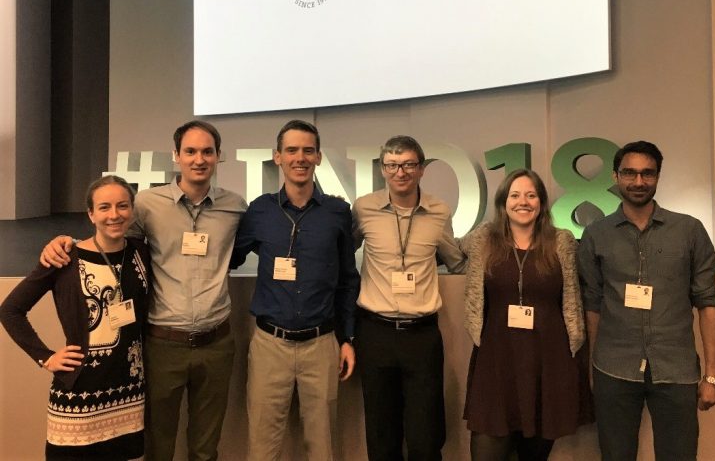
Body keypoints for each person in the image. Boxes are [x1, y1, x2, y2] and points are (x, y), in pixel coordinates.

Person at [39, 120, 247, 461]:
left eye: (207, 151)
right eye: (190, 151)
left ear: (218, 157)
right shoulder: (148, 204)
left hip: (217, 343)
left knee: (206, 446)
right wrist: (68, 243)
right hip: (164, 344)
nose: (199, 159)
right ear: (176, 155)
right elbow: (111, 237)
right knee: (158, 444)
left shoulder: (235, 206)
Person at [577, 141, 715, 461]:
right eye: (629, 173)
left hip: (676, 369)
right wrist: (592, 368)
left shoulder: (689, 230)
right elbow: (592, 303)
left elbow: (707, 302)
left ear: (658, 177)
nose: (638, 182)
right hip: (613, 368)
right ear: (616, 177)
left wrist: (713, 376)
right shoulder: (596, 235)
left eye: (647, 174)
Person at [230, 119, 360, 461]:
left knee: (322, 447)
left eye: (307, 150)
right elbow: (225, 258)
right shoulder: (259, 211)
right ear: (277, 157)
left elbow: (348, 279)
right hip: (270, 344)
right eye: (291, 150)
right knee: (262, 446)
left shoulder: (337, 212)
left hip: (322, 344)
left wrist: (347, 338)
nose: (299, 158)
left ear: (318, 157)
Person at [1, 176, 150, 460]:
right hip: (78, 397)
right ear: (91, 214)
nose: (114, 215)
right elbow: (10, 310)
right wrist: (45, 357)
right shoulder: (64, 258)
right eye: (104, 207)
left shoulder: (141, 253)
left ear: (132, 210)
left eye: (122, 205)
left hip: (129, 395)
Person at [461, 169, 591, 461]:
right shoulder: (483, 239)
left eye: (531, 195)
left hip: (548, 362)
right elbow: (455, 250)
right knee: (486, 450)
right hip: (496, 360)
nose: (523, 202)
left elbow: (571, 295)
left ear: (542, 203)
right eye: (515, 195)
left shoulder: (562, 241)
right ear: (503, 202)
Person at [352, 135, 465, 461]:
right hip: (375, 333)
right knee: (381, 432)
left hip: (422, 335)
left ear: (421, 169)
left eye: (408, 165)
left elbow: (454, 258)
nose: (400, 172)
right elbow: (343, 251)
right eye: (392, 165)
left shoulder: (438, 211)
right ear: (383, 169)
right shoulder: (364, 208)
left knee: (425, 436)